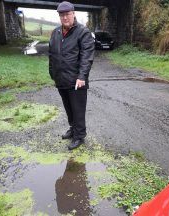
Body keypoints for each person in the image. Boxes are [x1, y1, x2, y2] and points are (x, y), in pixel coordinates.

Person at [49, 1, 95, 150]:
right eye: (62, 15)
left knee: (78, 109)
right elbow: (51, 54)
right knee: (68, 108)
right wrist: (52, 73)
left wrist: (82, 76)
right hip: (61, 78)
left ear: (73, 14)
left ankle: (79, 136)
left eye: (67, 14)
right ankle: (73, 128)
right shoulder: (55, 32)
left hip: (77, 81)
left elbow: (87, 56)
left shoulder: (83, 32)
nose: (65, 18)